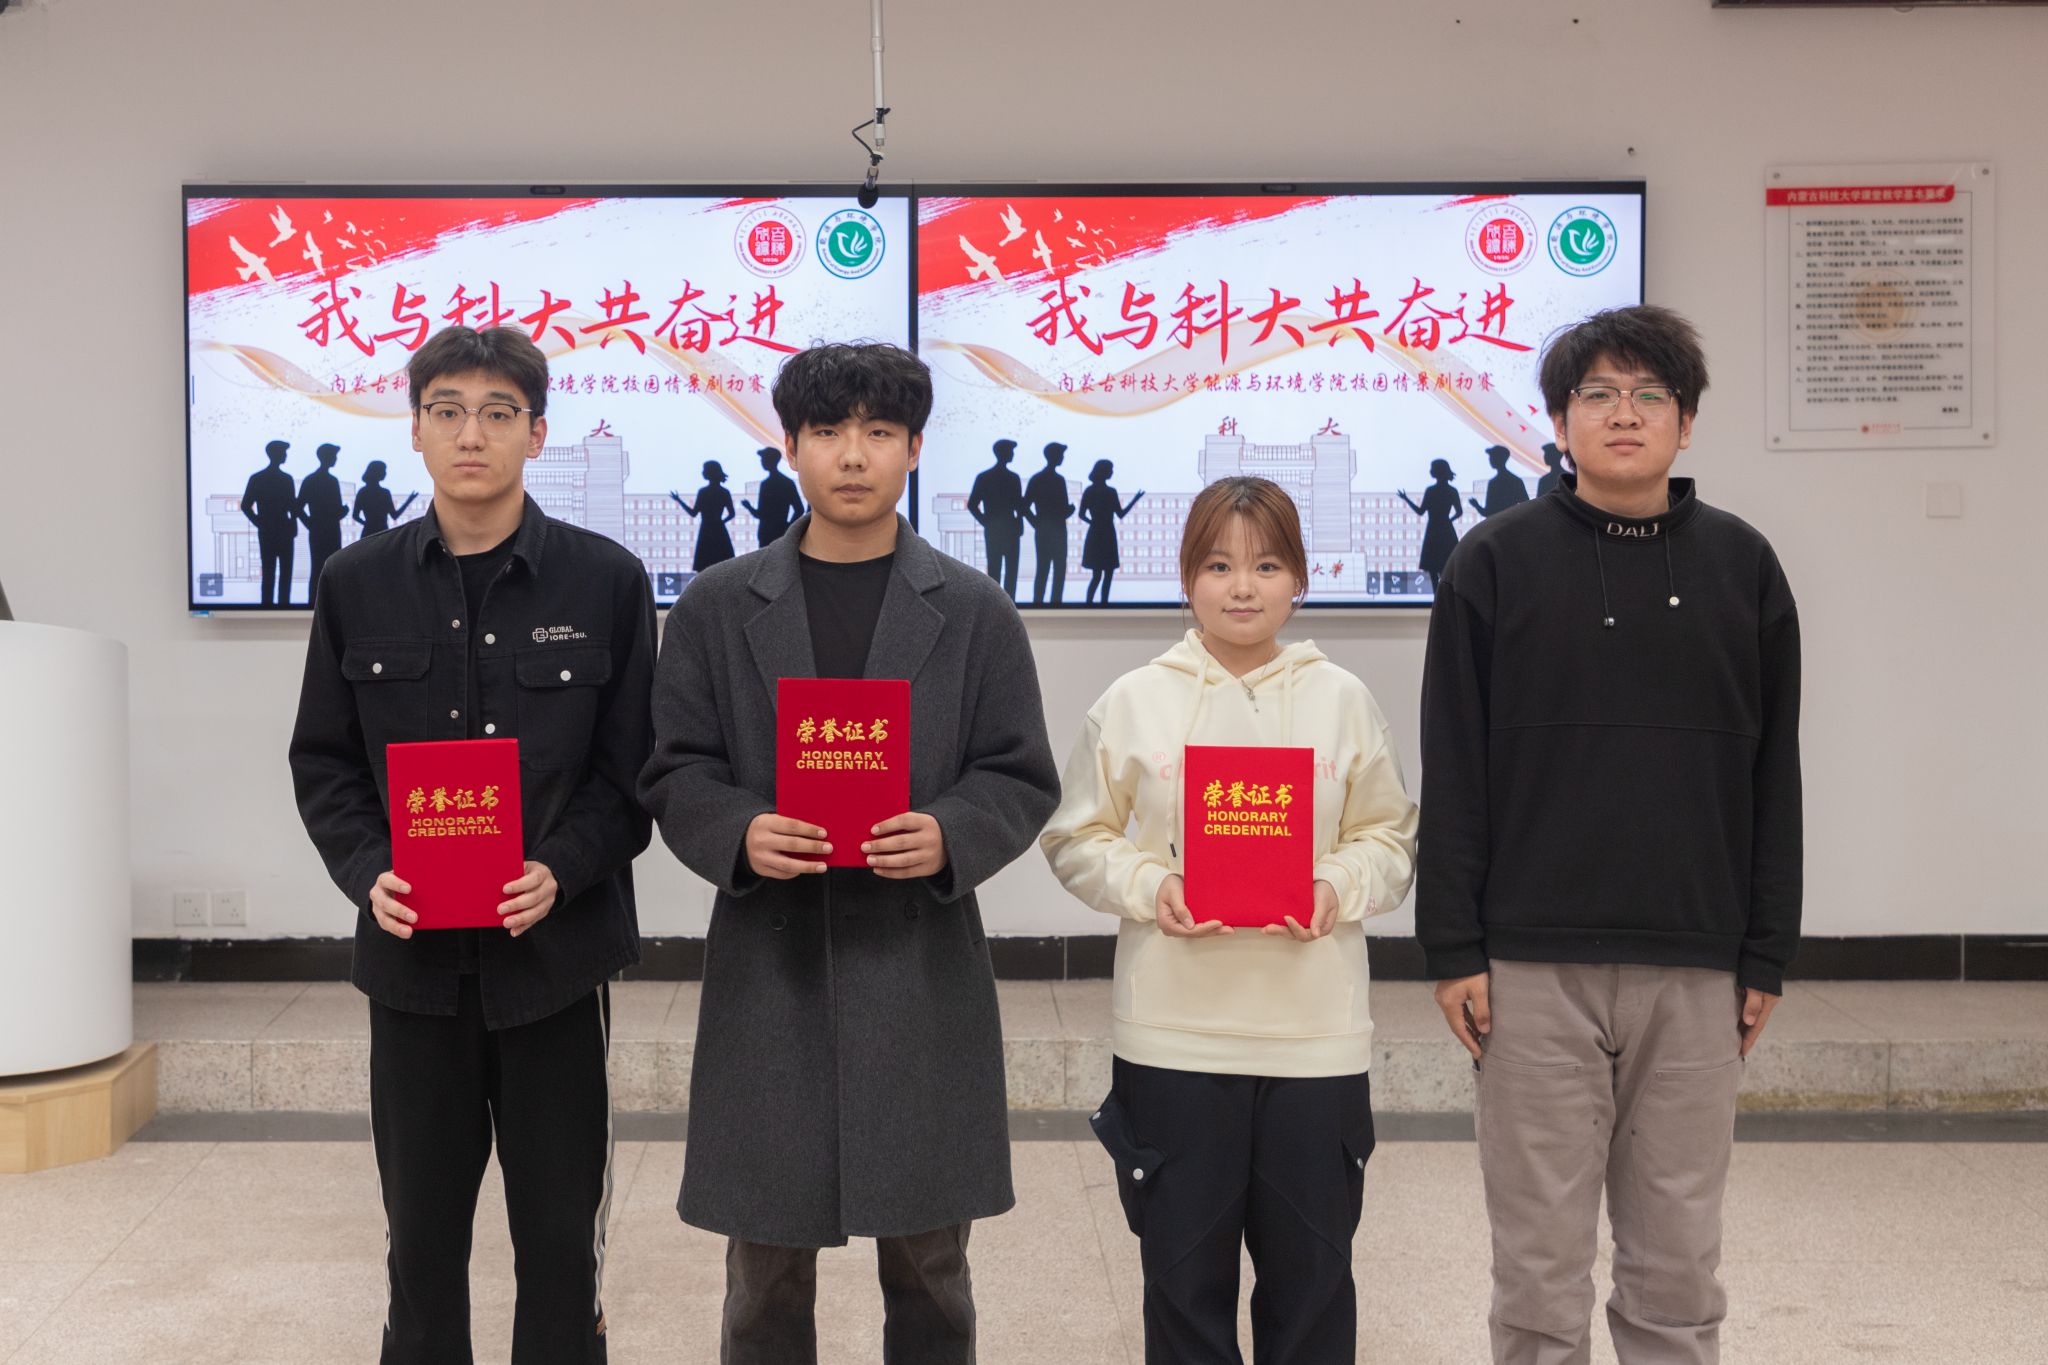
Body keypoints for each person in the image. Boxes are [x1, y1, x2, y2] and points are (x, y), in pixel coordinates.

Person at [638, 342, 1061, 1365]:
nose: (854, 454)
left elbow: (1018, 773)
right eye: (828, 431)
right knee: (762, 1275)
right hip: (770, 968)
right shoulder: (716, 607)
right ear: (789, 447)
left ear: (914, 447)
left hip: (916, 966)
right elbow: (675, 768)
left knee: (931, 1269)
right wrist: (739, 829)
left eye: (879, 430)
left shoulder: (973, 609)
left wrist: (950, 831)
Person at [1418, 304, 1802, 1365]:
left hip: (1696, 962)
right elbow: (1454, 766)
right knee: (1537, 1271)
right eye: (1597, 395)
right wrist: (1451, 946)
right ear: (1558, 421)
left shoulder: (1743, 566)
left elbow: (1774, 773)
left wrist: (1766, 949)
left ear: (1686, 421)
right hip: (1529, 965)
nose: (1623, 414)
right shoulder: (1492, 561)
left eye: (1648, 396)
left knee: (1677, 1268)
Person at [288, 325, 656, 1365]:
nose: (471, 434)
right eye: (446, 411)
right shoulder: (355, 582)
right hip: (413, 971)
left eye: (498, 413)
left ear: (536, 433)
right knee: (420, 1247)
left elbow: (633, 774)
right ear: (414, 428)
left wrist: (562, 869)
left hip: (556, 964)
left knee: (560, 1248)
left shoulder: (606, 581)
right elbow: (324, 761)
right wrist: (369, 871)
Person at [1042, 475, 1417, 1365]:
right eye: (1218, 565)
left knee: (1312, 1291)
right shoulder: (1135, 699)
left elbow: (1391, 839)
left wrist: (1336, 883)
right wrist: (1150, 884)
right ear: (1186, 579)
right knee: (1183, 1291)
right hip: (1174, 1038)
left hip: (1313, 1040)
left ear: (1301, 580)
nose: (1242, 586)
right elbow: (1075, 835)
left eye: (1267, 565)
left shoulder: (1343, 699)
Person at [1077, 458, 1144, 604]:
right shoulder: (1110, 492)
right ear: (1104, 472)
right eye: (1110, 470)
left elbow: (1081, 514)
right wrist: (1135, 500)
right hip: (1106, 534)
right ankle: (1102, 604)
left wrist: (1093, 522)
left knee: (1097, 576)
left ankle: (1090, 605)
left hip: (1097, 534)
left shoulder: (1090, 491)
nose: (1112, 472)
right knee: (1106, 575)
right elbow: (1121, 514)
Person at [240, 439, 299, 606]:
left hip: (276, 530)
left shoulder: (261, 478)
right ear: (276, 454)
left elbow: (292, 507)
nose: (285, 455)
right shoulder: (282, 479)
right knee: (277, 571)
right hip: (276, 530)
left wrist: (260, 522)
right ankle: (276, 606)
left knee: (272, 571)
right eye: (283, 452)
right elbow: (246, 505)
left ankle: (274, 606)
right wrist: (259, 522)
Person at [965, 438, 1025, 597]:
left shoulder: (987, 477)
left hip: (1002, 529)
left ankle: (1001, 606)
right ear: (1003, 453)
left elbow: (1018, 506)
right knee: (1005, 571)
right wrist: (986, 522)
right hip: (1005, 529)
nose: (1012, 454)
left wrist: (986, 522)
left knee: (997, 570)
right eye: (1011, 451)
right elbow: (972, 504)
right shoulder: (1011, 478)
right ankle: (1004, 606)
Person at [1397, 459, 1462, 593]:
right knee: (1446, 568)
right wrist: (1449, 520)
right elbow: (1459, 512)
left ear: (1437, 471)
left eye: (1432, 468)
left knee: (1433, 569)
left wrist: (1406, 499)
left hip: (1433, 530)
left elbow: (1420, 511)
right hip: (1446, 531)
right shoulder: (1452, 491)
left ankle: (1436, 598)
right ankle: (1445, 597)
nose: (1430, 471)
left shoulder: (1431, 490)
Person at [1023, 441, 1075, 605]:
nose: (1062, 458)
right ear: (1054, 456)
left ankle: (1038, 603)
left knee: (1043, 569)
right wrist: (1070, 511)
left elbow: (1024, 506)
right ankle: (1055, 603)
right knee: (1057, 570)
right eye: (1061, 455)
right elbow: (1062, 509)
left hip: (1046, 530)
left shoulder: (1037, 479)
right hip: (1056, 530)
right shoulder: (1058, 480)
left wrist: (1037, 523)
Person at [297, 442, 348, 605]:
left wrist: (311, 524)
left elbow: (298, 507)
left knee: (328, 569)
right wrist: (310, 524)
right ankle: (317, 605)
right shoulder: (325, 481)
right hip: (324, 530)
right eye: (334, 456)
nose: (336, 459)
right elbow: (298, 507)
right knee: (323, 569)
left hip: (327, 530)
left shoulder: (318, 480)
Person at [671, 460, 737, 570]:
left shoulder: (703, 492)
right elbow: (732, 514)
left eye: (705, 470)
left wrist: (679, 500)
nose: (703, 472)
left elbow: (693, 513)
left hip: (706, 529)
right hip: (719, 530)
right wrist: (720, 522)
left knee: (705, 564)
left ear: (709, 473)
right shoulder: (724, 492)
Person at [742, 445, 805, 547]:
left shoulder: (766, 484)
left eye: (763, 458)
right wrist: (787, 526)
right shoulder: (787, 483)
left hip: (767, 534)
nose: (762, 461)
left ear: (769, 460)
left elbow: (761, 514)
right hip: (778, 532)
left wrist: (748, 506)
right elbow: (799, 509)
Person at [352, 460, 418, 537]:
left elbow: (355, 516)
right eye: (383, 470)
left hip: (368, 533)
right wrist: (409, 501)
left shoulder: (362, 492)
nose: (385, 473)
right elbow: (394, 515)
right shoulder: (385, 493)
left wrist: (367, 524)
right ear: (377, 472)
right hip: (383, 532)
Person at [1467, 443, 1531, 520]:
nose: (1490, 459)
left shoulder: (1494, 483)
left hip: (1499, 524)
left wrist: (1476, 505)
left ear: (1498, 459)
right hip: (1513, 523)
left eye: (1492, 456)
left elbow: (1488, 512)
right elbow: (1527, 506)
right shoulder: (1516, 481)